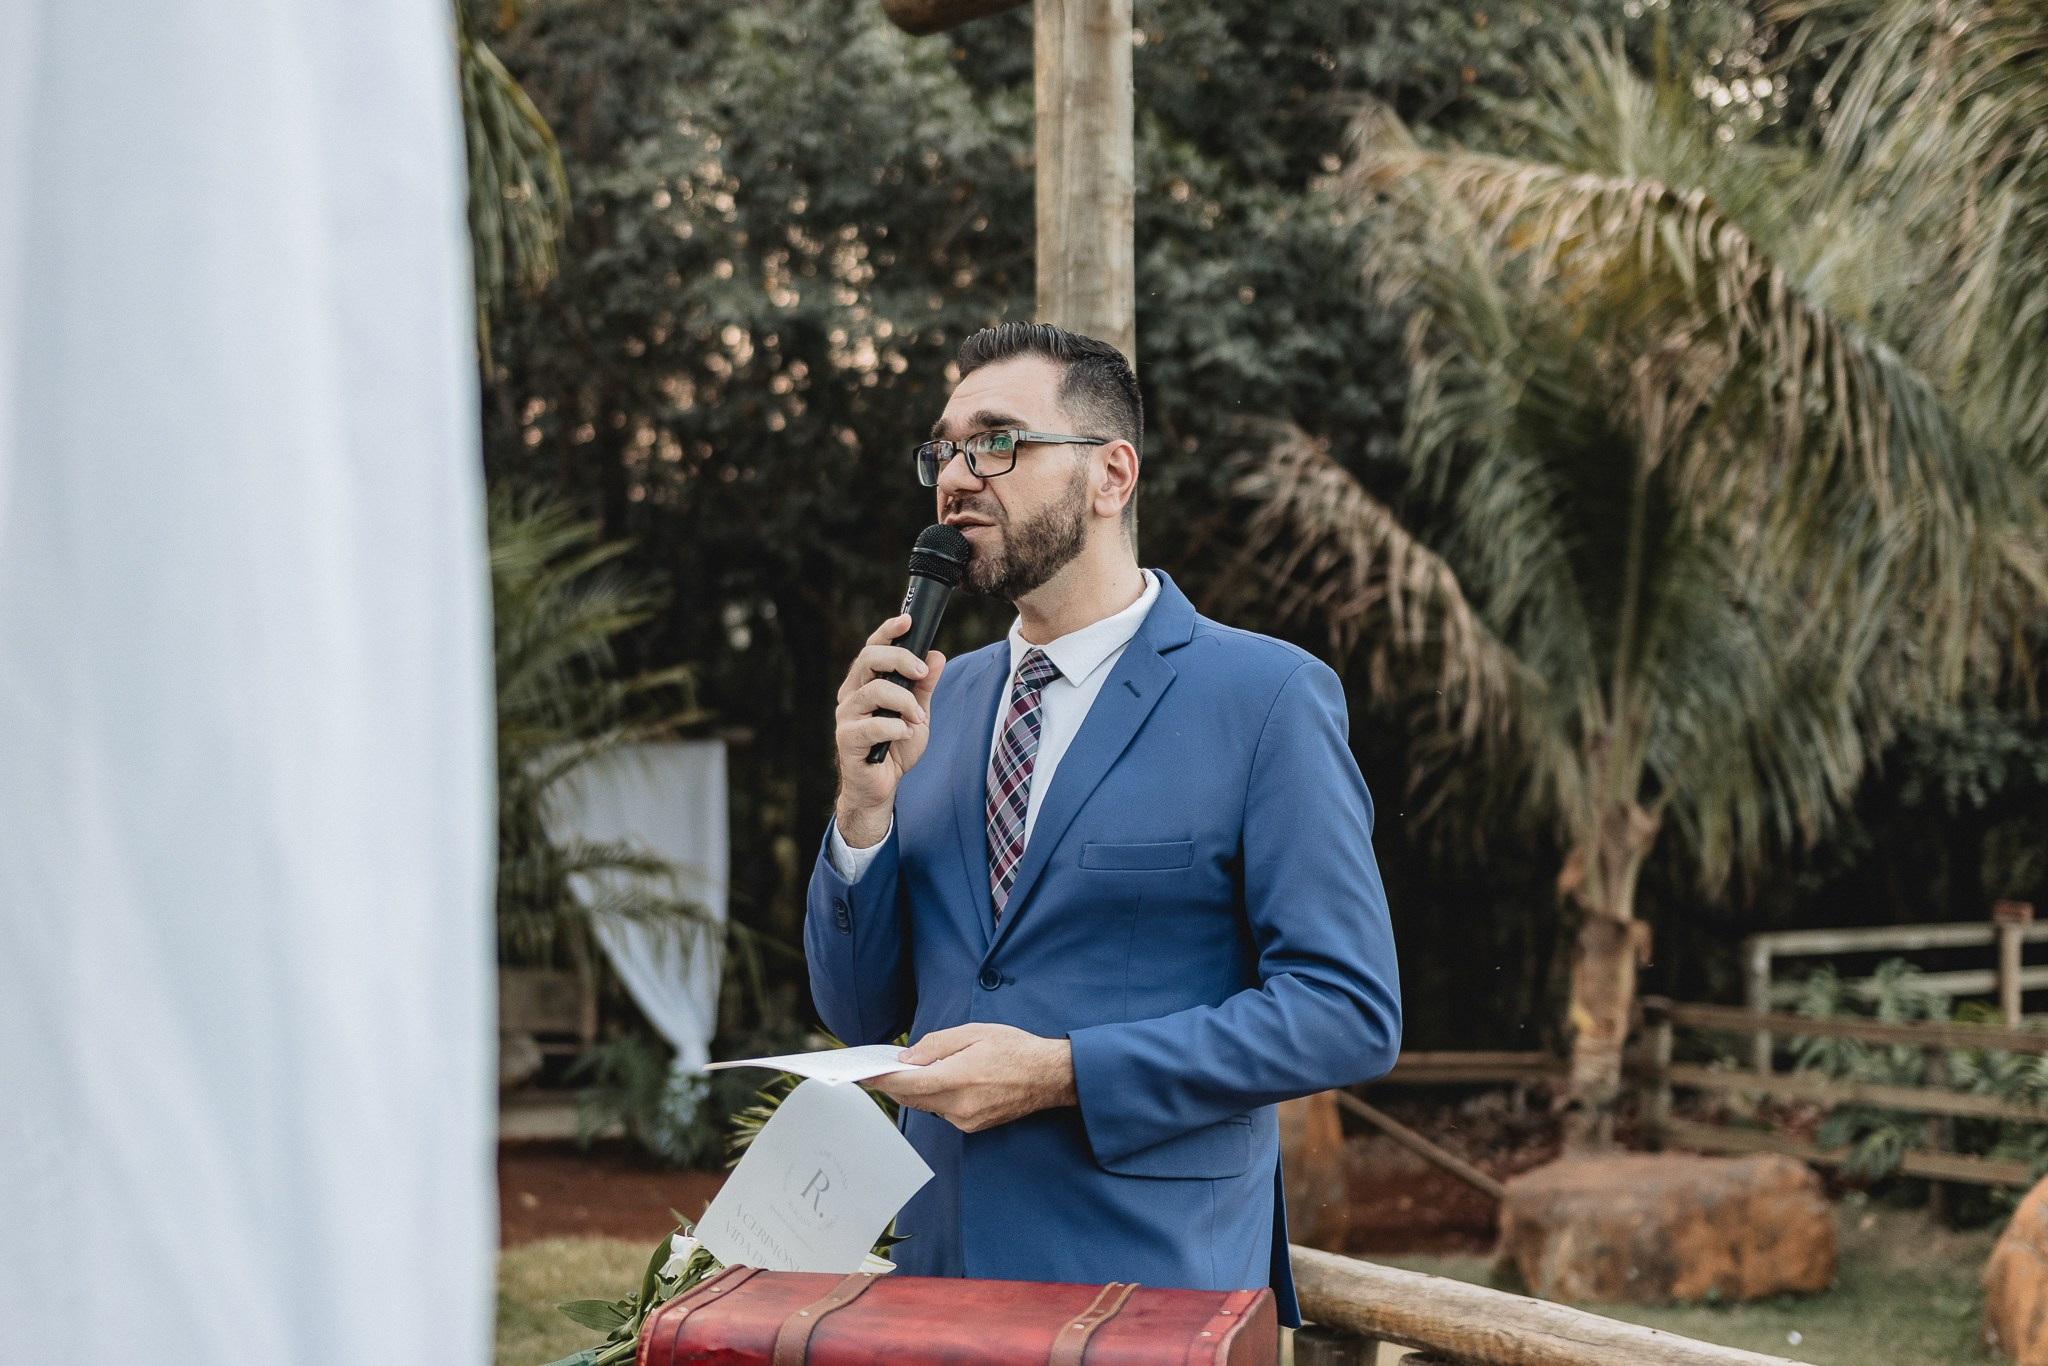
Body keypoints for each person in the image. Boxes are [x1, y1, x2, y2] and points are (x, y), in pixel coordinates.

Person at [804, 322, 1400, 1324]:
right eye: (944, 448)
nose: (956, 474)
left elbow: (1345, 1010)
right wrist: (859, 818)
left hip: (1147, 1291)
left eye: (997, 441)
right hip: (930, 1291)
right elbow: (859, 1014)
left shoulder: (1263, 699)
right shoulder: (934, 701)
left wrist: (1060, 1071)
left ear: (1109, 474)